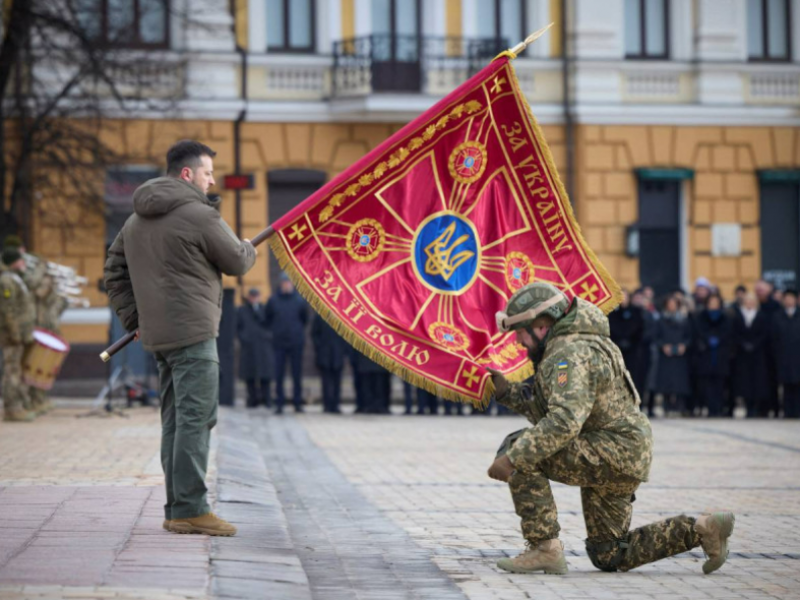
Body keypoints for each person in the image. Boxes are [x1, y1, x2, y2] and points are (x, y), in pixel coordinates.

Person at [485, 282, 734, 575]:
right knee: (609, 554)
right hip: (623, 451)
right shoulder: (578, 342)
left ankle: (544, 547)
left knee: (519, 446)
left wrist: (514, 459)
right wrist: (506, 392)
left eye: (520, 332)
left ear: (541, 325)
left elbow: (563, 422)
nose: (518, 341)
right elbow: (549, 409)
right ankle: (703, 530)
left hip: (612, 450)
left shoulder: (569, 353)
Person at [104, 140, 256, 536]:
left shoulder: (135, 219)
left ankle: (178, 508)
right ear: (187, 174)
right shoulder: (198, 214)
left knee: (175, 421)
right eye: (207, 173)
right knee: (195, 419)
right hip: (194, 333)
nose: (211, 181)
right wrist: (247, 248)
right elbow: (238, 260)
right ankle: (190, 508)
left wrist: (135, 319)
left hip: (159, 336)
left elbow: (113, 271)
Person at [0, 249, 37, 422]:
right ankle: (11, 408)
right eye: (20, 260)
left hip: (20, 334)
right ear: (13, 261)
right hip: (12, 336)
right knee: (11, 372)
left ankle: (18, 405)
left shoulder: (16, 277)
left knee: (16, 370)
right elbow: (8, 311)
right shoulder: (7, 280)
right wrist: (15, 334)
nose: (23, 262)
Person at [265, 273, 308, 414]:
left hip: (296, 343)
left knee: (297, 374)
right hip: (279, 343)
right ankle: (279, 403)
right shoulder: (273, 301)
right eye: (284, 282)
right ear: (280, 284)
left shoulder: (299, 301)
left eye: (288, 282)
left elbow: (304, 319)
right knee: (279, 374)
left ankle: (297, 402)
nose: (286, 285)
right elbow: (268, 318)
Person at [692, 294, 734, 417]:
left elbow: (728, 334)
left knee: (720, 383)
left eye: (716, 302)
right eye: (711, 302)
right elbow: (698, 333)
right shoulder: (701, 317)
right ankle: (709, 408)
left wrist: (719, 340)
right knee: (706, 383)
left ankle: (719, 407)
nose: (713, 304)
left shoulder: (726, 318)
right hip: (705, 354)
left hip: (721, 354)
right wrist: (707, 340)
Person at [731, 293, 770, 418]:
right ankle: (747, 406)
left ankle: (756, 407)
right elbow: (735, 333)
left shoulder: (761, 316)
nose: (749, 303)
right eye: (747, 301)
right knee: (744, 382)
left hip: (758, 354)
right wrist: (743, 344)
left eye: (752, 301)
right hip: (742, 354)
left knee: (757, 381)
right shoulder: (738, 316)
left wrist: (754, 344)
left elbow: (764, 334)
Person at [653, 295, 692, 416]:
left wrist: (684, 345)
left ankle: (679, 406)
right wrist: (663, 346)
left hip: (680, 356)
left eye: (674, 303)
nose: (671, 306)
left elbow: (689, 337)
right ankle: (666, 406)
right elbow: (656, 337)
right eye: (669, 303)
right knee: (666, 382)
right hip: (666, 356)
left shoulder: (684, 320)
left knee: (679, 382)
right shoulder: (661, 320)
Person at [237, 288, 273, 409]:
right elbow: (238, 327)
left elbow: (269, 323)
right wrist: (244, 338)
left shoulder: (264, 309)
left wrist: (267, 337)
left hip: (263, 347)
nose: (254, 299)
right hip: (249, 347)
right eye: (252, 296)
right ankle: (252, 399)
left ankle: (266, 399)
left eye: (256, 296)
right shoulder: (242, 310)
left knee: (265, 375)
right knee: (250, 375)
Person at [311, 313, 349, 413]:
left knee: (337, 381)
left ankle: (335, 405)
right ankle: (327, 405)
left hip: (338, 354)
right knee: (326, 382)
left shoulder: (342, 316)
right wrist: (319, 348)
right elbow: (315, 334)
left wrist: (343, 350)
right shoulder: (320, 316)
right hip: (324, 354)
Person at [771, 289, 800, 418]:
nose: (789, 300)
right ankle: (787, 411)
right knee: (786, 385)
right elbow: (773, 338)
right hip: (783, 356)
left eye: (791, 298)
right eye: (786, 298)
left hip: (797, 356)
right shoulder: (777, 316)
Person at [755, 279, 781, 416]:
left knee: (774, 380)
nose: (760, 291)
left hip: (773, 349)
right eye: (758, 289)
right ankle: (762, 409)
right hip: (758, 350)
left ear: (769, 290)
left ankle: (775, 408)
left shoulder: (776, 306)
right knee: (760, 381)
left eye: (762, 289)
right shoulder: (755, 305)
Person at [608, 290, 644, 387]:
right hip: (616, 348)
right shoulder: (612, 313)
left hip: (632, 349)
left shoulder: (636, 312)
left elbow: (639, 329)